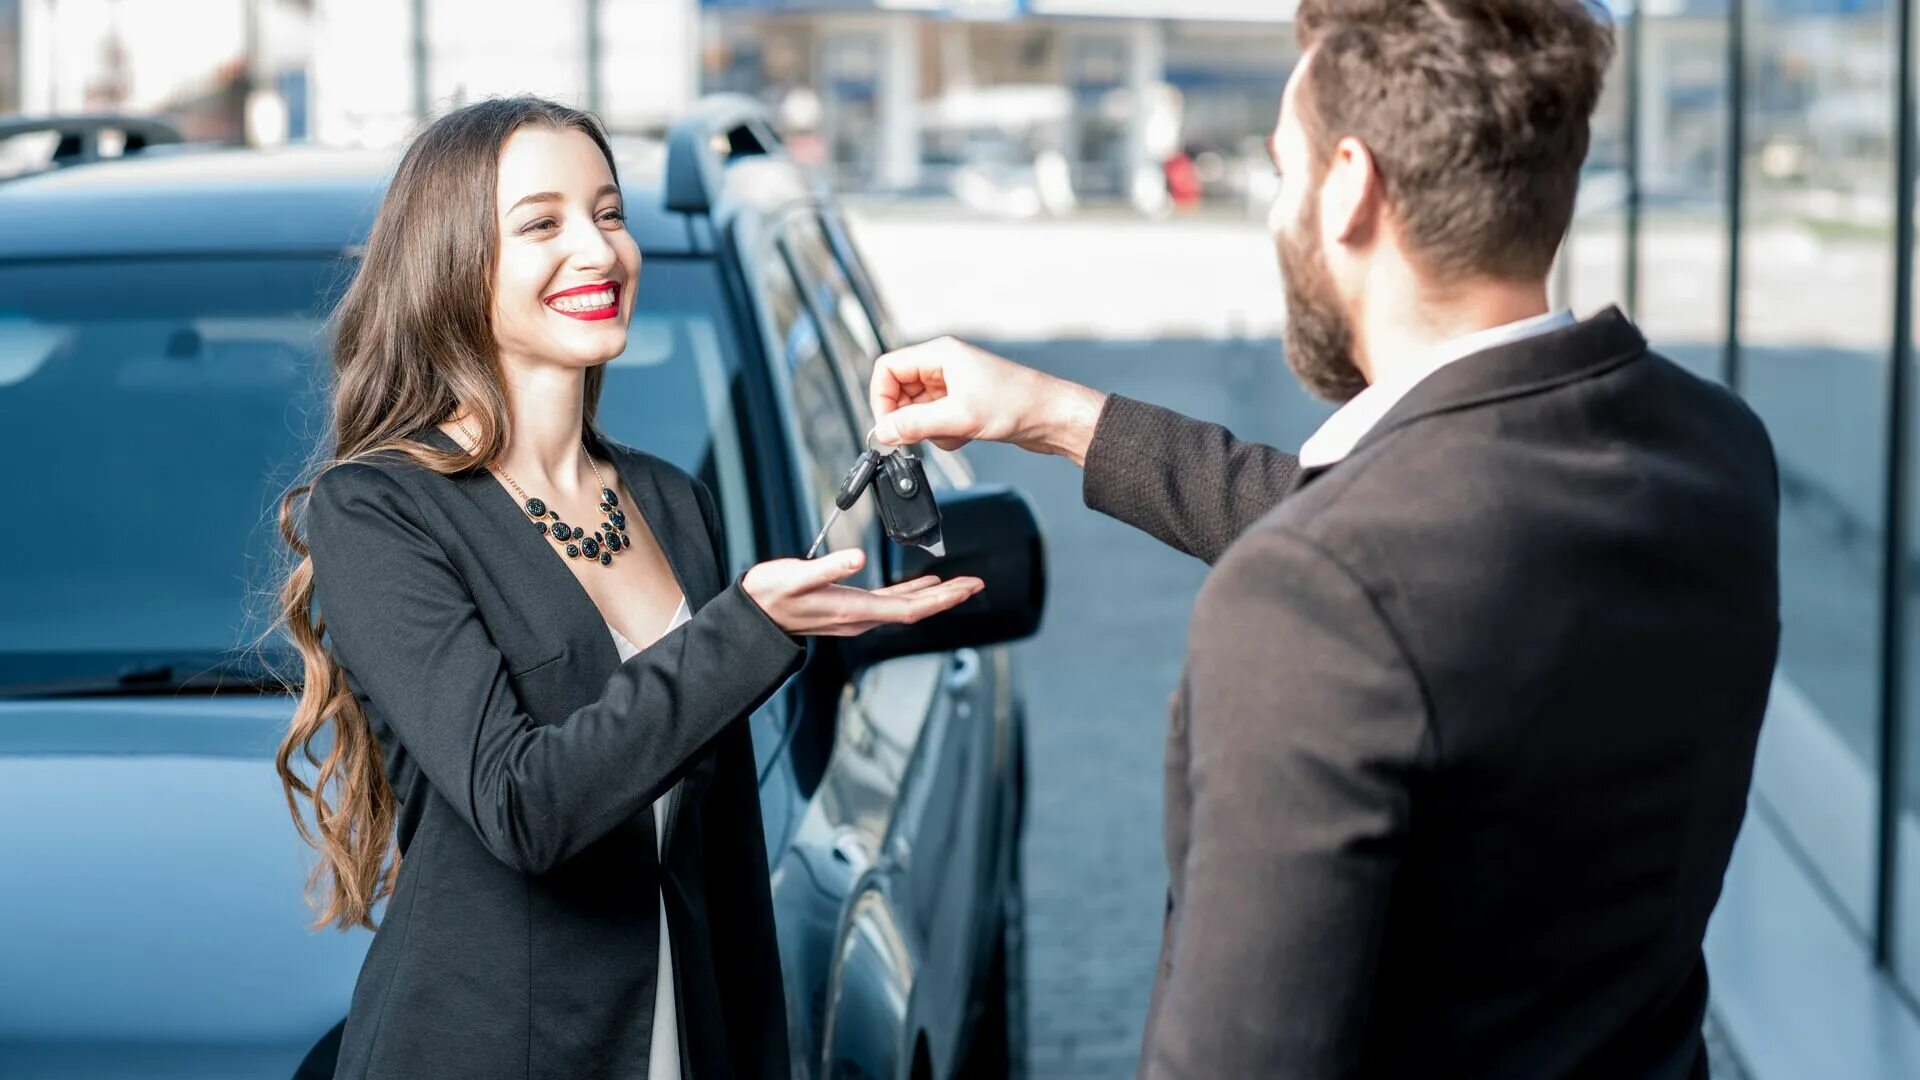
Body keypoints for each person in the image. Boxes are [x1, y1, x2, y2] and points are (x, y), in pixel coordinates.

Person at [869, 1, 1781, 1077]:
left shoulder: (1319, 596)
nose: (1277, 210)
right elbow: (1404, 544)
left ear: (1349, 185)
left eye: (1281, 168)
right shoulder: (1714, 450)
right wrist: (1057, 415)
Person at [270, 96, 981, 1080]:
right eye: (543, 224)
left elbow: (727, 871)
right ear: (450, 260)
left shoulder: (669, 501)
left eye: (609, 214)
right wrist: (749, 627)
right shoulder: (380, 510)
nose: (598, 251)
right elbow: (525, 807)